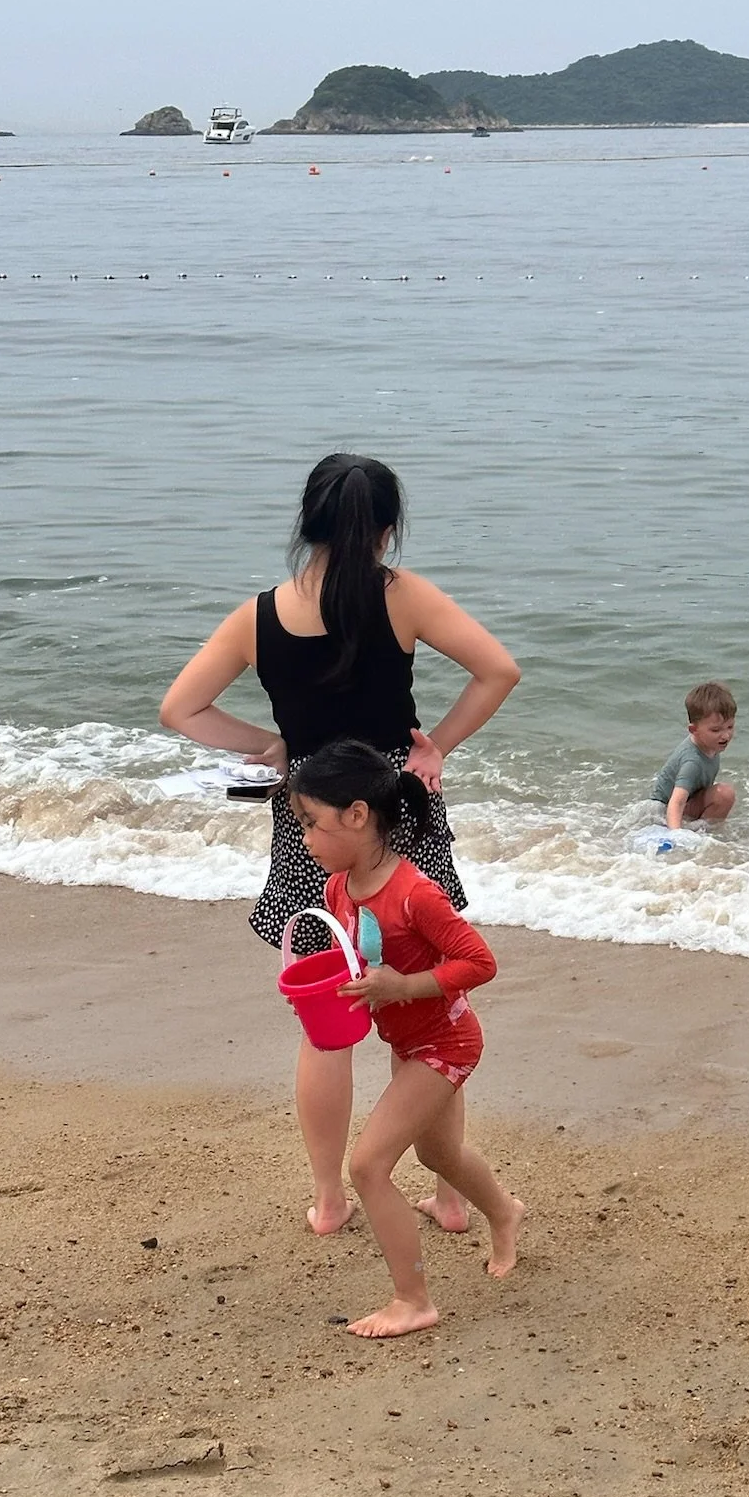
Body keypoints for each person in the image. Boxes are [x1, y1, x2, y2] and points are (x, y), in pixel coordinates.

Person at [160, 451, 520, 1238]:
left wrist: (281, 748)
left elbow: (182, 708)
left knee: (326, 1016)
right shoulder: (406, 597)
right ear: (387, 530)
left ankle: (329, 1198)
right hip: (396, 812)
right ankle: (452, 1195)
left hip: (311, 817)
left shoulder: (258, 615)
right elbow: (498, 670)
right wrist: (436, 749)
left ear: (309, 524)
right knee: (423, 1006)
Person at [288, 741, 524, 1337]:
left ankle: (412, 1300)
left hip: (445, 1042)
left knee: (367, 1167)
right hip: (407, 1040)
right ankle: (505, 1212)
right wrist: (340, 992)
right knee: (437, 1154)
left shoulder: (416, 894)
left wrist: (404, 987)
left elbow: (479, 961)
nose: (306, 840)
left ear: (358, 815)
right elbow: (363, 961)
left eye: (312, 824)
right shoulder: (339, 889)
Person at [651, 682, 737, 830]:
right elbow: (676, 802)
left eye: (730, 727)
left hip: (681, 805)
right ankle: (699, 835)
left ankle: (701, 833)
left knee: (722, 795)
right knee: (724, 795)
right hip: (663, 812)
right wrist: (676, 836)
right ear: (694, 730)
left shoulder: (710, 745)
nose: (726, 735)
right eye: (716, 730)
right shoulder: (692, 761)